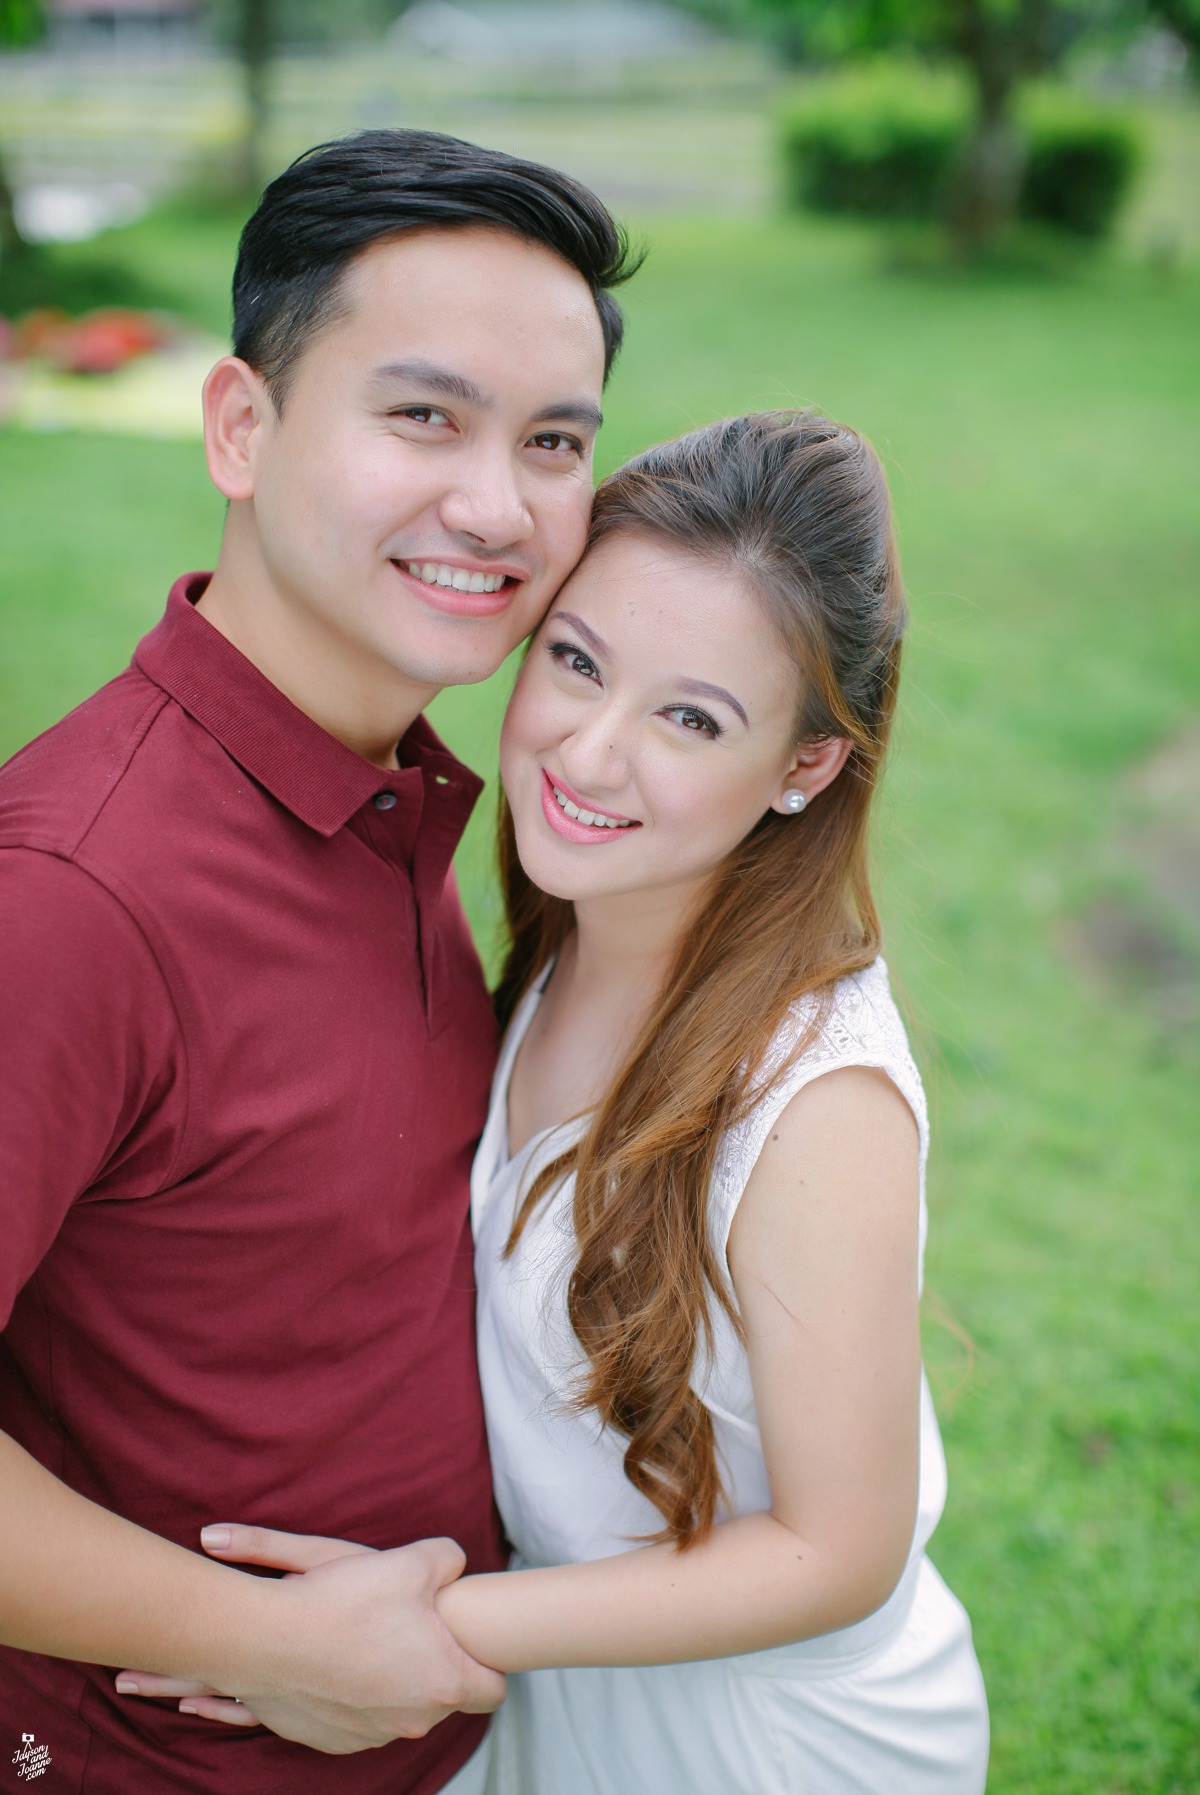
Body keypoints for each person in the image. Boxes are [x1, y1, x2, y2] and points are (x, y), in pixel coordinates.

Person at [122, 412, 990, 1791]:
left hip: (755, 1740)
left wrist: (416, 1629)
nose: (589, 754)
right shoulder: (573, 925)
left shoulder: (814, 1098)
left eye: (689, 718)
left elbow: (841, 1550)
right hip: (561, 1684)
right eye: (577, 663)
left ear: (806, 767)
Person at [0, 127, 640, 1794]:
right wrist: (272, 1638)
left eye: (553, 440)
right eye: (423, 415)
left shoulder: (390, 788)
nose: (497, 506)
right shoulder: (73, 894)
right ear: (241, 424)